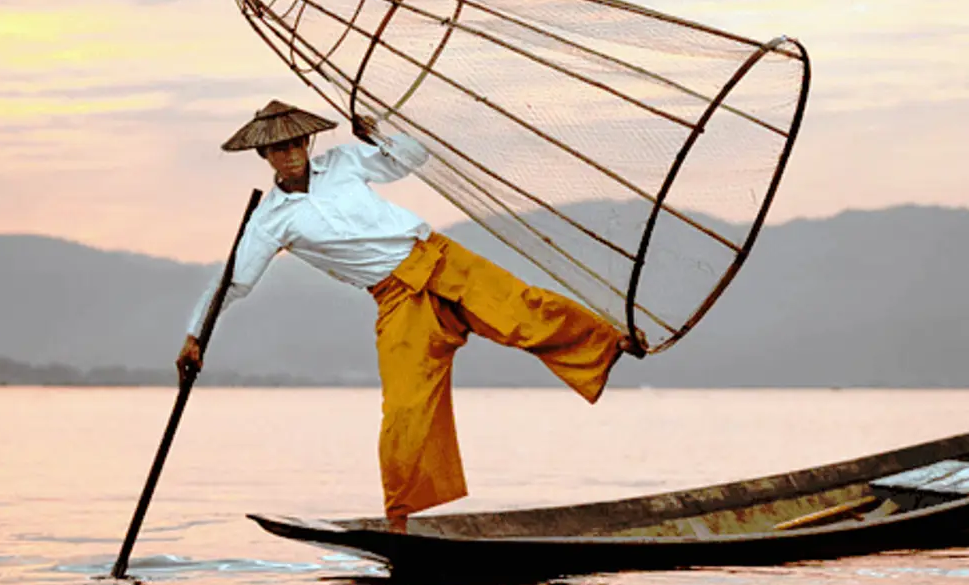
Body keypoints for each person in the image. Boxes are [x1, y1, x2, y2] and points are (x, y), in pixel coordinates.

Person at [179, 99, 637, 530]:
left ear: (307, 144)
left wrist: (379, 134)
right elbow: (233, 283)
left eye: (298, 142)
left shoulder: (341, 163)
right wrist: (196, 336)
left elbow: (410, 158)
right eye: (281, 147)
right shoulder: (269, 219)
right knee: (405, 408)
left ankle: (610, 342)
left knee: (522, 311)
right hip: (396, 296)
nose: (292, 153)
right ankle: (401, 520)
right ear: (265, 155)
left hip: (435, 257)